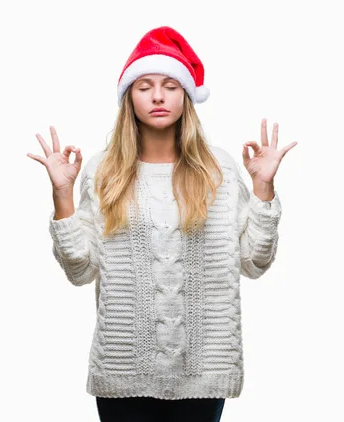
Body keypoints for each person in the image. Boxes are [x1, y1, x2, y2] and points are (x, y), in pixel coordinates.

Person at [26, 26, 297, 422]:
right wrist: (62, 195)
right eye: (144, 86)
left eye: (170, 85)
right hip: (123, 375)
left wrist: (263, 187)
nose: (157, 96)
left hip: (201, 376)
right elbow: (80, 270)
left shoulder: (217, 168)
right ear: (128, 98)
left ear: (186, 96)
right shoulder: (103, 171)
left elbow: (254, 262)